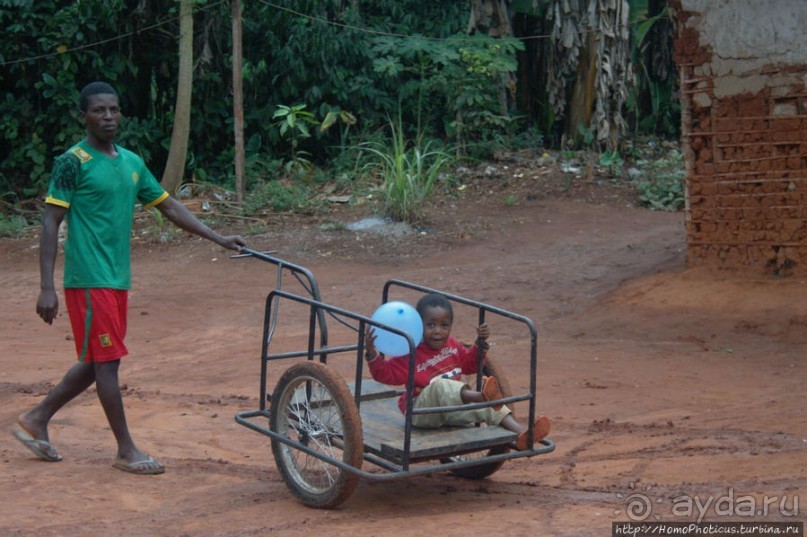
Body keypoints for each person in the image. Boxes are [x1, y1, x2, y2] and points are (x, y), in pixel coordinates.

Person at [11, 81, 248, 475]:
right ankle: (126, 450)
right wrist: (46, 287)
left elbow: (169, 206)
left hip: (117, 278)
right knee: (107, 363)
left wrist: (218, 238)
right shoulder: (73, 161)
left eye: (114, 110)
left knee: (99, 359)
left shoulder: (132, 162)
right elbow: (51, 221)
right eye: (99, 110)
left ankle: (37, 418)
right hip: (88, 279)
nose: (108, 117)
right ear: (83, 115)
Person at [364, 292, 550, 451]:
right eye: (431, 325)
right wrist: (372, 353)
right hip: (421, 412)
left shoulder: (452, 345)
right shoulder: (410, 352)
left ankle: (522, 433)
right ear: (419, 325)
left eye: (444, 325)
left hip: (451, 411)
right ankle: (481, 397)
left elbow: (470, 365)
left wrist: (480, 343)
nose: (438, 331)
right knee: (441, 386)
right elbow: (384, 374)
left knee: (490, 407)